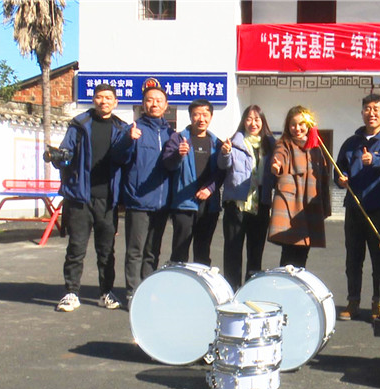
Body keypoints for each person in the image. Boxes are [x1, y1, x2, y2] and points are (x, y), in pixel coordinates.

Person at [53, 84, 128, 312]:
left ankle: (106, 292)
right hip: (79, 198)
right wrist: (58, 157)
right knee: (76, 248)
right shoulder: (79, 124)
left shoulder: (121, 128)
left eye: (108, 98)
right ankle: (71, 293)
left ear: (115, 102)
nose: (104, 101)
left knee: (106, 251)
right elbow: (65, 153)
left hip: (107, 199)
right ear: (93, 100)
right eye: (99, 97)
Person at [334, 94, 380, 320]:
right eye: (367, 109)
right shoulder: (351, 142)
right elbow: (339, 168)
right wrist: (341, 178)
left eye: (376, 109)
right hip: (354, 208)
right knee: (353, 258)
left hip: (378, 208)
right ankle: (353, 301)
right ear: (362, 113)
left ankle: (378, 302)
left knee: (379, 259)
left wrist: (374, 159)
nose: (371, 113)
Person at [113, 84, 174, 305]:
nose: (154, 104)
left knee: (152, 251)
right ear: (143, 104)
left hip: (161, 202)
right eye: (149, 100)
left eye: (159, 100)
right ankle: (132, 292)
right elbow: (118, 158)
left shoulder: (171, 134)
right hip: (138, 200)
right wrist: (128, 140)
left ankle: (147, 290)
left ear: (166, 106)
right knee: (135, 250)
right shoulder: (133, 129)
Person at [218, 105, 276, 290]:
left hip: (261, 205)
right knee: (232, 251)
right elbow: (223, 165)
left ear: (263, 122)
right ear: (243, 121)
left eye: (257, 119)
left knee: (255, 253)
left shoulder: (271, 146)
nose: (253, 123)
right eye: (249, 119)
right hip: (236, 205)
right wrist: (225, 153)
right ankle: (232, 290)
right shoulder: (234, 143)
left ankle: (250, 291)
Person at [162, 99, 225, 266]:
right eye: (197, 114)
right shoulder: (178, 139)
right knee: (179, 251)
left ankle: (200, 281)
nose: (201, 119)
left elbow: (221, 171)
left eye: (205, 115)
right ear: (190, 116)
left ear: (211, 117)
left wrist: (210, 189)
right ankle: (178, 280)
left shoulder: (216, 143)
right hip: (184, 204)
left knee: (203, 251)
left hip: (209, 205)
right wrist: (178, 155)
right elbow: (168, 164)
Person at [268, 105, 331, 268]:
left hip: (309, 205)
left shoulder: (316, 148)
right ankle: (284, 281)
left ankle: (297, 281)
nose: (297, 128)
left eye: (301, 124)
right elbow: (279, 157)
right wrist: (276, 166)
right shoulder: (284, 144)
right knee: (288, 253)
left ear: (308, 125)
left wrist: (324, 205)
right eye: (293, 125)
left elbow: (323, 178)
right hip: (291, 205)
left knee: (303, 252)